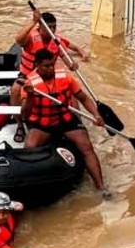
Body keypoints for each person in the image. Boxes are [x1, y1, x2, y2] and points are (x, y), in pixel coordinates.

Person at [22, 49, 108, 195]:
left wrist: (96, 115)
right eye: (46, 66)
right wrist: (30, 96)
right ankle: (30, 187)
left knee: (86, 147)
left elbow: (83, 98)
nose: (51, 69)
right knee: (29, 148)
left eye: (52, 65)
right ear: (37, 65)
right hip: (43, 124)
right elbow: (25, 114)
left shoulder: (66, 78)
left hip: (65, 120)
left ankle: (101, 187)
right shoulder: (29, 83)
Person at [10, 9, 88, 142]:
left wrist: (72, 63)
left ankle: (77, 123)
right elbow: (18, 39)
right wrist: (34, 21)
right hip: (28, 74)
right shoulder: (30, 38)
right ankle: (20, 125)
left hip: (48, 75)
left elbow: (64, 53)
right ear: (40, 27)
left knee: (70, 89)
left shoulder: (56, 40)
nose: (52, 29)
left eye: (54, 27)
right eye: (48, 27)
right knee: (15, 90)